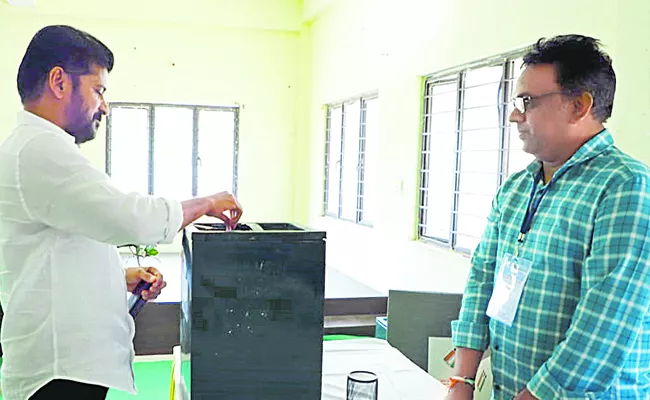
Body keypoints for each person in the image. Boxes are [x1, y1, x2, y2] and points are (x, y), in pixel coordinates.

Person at [0, 25, 243, 399]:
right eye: (98, 90)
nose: (104, 106)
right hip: (58, 374)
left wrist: (118, 277)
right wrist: (206, 203)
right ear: (59, 82)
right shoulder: (39, 149)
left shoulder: (40, 149)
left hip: (66, 367)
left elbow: (61, 249)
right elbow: (128, 217)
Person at [447, 34, 650, 399]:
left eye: (527, 101)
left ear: (579, 106)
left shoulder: (626, 187)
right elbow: (482, 278)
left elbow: (603, 326)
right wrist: (461, 380)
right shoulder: (517, 188)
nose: (514, 115)